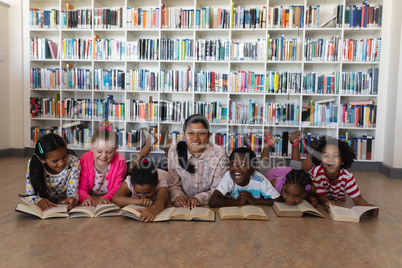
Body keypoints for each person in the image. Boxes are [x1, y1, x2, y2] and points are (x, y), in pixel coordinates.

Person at [168, 114, 228, 208]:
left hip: (208, 205)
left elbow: (218, 189)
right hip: (182, 205)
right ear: (184, 135)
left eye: (201, 133)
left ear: (208, 136)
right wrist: (177, 195)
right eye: (190, 133)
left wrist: (199, 198)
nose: (195, 138)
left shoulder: (219, 153)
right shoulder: (174, 151)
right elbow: (173, 184)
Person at [309, 137, 379, 216]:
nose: (330, 159)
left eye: (335, 156)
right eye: (326, 156)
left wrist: (368, 207)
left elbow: (358, 198)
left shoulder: (347, 176)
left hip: (340, 199)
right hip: (322, 194)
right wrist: (327, 202)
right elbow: (320, 195)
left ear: (342, 161)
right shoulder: (317, 172)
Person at [23, 133, 80, 211]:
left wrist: (73, 198)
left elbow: (73, 191)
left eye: (64, 157)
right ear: (42, 159)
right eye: (55, 161)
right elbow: (29, 195)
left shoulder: (73, 162)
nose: (62, 163)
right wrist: (38, 201)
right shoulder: (33, 163)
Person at [209, 147, 281, 207]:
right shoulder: (229, 176)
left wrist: (254, 200)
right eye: (233, 163)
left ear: (253, 168)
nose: (236, 168)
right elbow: (213, 201)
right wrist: (238, 202)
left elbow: (278, 200)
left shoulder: (260, 179)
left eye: (243, 164)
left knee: (264, 166)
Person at [262, 130, 318, 207]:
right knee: (263, 171)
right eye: (286, 193)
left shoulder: (311, 189)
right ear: (283, 186)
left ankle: (295, 142)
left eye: (297, 196)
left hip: (290, 173)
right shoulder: (274, 183)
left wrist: (312, 199)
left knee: (296, 169)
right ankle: (268, 144)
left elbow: (313, 195)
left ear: (305, 193)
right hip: (274, 174)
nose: (289, 199)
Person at [78, 120, 127, 206]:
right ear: (92, 148)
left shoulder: (120, 161)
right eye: (99, 151)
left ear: (115, 149)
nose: (103, 156)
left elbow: (118, 187)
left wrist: (106, 198)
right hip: (91, 197)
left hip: (109, 199)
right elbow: (81, 188)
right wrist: (86, 198)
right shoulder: (84, 159)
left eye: (109, 152)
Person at [112, 158, 170, 222]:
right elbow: (116, 199)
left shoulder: (161, 181)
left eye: (148, 192)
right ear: (131, 184)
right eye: (137, 192)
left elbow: (162, 200)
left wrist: (152, 210)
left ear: (156, 184)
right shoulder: (129, 181)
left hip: (164, 172)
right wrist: (139, 201)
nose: (143, 197)